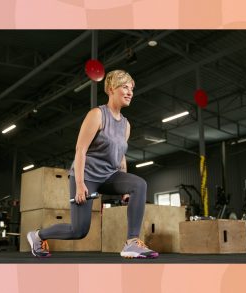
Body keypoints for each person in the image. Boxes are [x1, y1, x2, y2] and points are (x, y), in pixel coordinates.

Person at [27, 70, 159, 259]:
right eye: (125, 87)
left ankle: (132, 243)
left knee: (139, 184)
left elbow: (121, 156)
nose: (130, 92)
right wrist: (80, 185)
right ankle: (38, 235)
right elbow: (80, 150)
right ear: (111, 89)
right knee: (79, 230)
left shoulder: (126, 125)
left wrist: (126, 189)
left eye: (132, 89)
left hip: (109, 176)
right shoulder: (97, 115)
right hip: (86, 176)